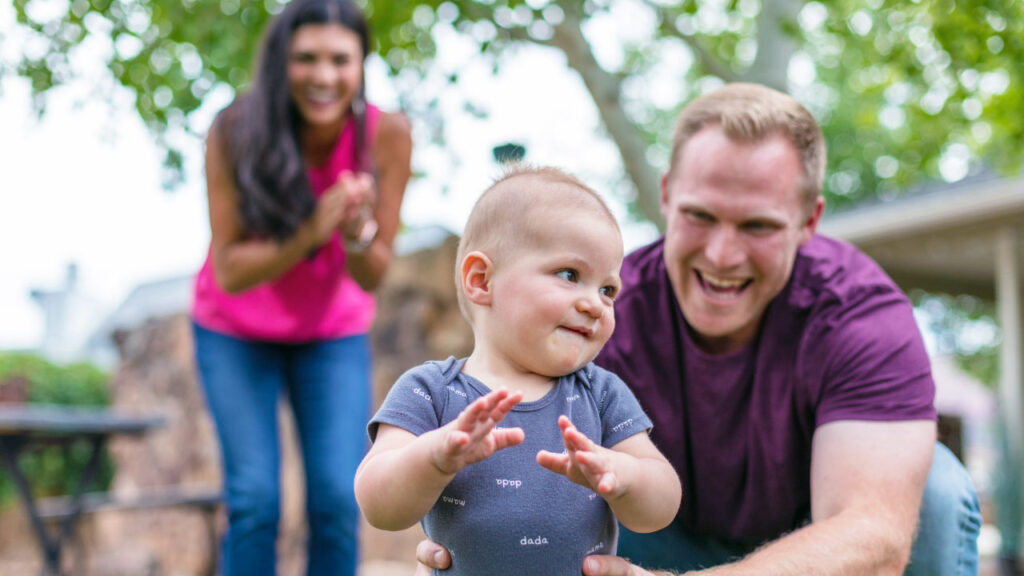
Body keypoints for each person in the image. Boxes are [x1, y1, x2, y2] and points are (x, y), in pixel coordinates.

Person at [417, 83, 981, 575]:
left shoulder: (860, 317)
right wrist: (471, 546)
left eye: (757, 225)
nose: (722, 254)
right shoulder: (599, 314)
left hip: (809, 549)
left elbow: (873, 538)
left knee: (936, 493)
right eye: (700, 216)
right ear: (666, 196)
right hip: (651, 536)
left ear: (809, 220)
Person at [355, 166, 682, 575]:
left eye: (607, 290)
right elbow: (378, 506)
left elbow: (662, 505)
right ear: (481, 280)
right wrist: (433, 459)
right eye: (570, 275)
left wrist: (624, 475)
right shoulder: (430, 391)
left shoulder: (601, 394)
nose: (595, 304)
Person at [189, 0, 411, 574]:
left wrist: (356, 234)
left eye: (341, 60)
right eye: (306, 58)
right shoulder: (234, 130)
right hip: (234, 330)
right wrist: (312, 231)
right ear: (279, 63)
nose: (324, 76)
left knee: (337, 498)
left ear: (361, 64)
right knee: (255, 500)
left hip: (330, 332)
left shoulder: (386, 135)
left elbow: (374, 273)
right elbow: (231, 269)